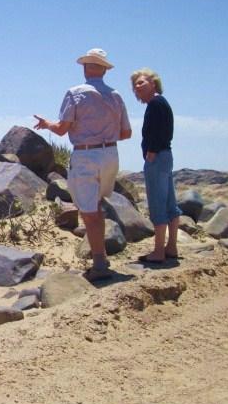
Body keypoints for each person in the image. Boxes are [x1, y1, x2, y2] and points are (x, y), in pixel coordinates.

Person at [33, 48, 132, 280]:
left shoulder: (75, 93)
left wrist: (47, 124)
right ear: (105, 70)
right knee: (96, 204)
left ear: (86, 67)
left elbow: (61, 129)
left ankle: (99, 263)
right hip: (110, 154)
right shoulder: (116, 96)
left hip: (86, 154)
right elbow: (126, 133)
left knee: (89, 210)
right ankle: (102, 255)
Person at [131, 68, 181, 263]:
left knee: (158, 204)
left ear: (154, 83)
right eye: (135, 85)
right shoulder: (160, 102)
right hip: (165, 156)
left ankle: (159, 251)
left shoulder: (155, 103)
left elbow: (160, 132)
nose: (137, 86)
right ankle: (172, 247)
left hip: (158, 157)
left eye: (141, 82)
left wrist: (151, 152)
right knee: (170, 203)